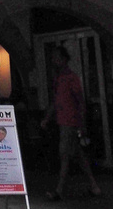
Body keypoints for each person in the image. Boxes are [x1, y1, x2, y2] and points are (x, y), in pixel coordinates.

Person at [41, 45, 101, 200]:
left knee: (65, 154)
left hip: (70, 121)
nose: (54, 60)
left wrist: (81, 121)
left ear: (63, 59)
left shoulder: (70, 78)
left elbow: (79, 101)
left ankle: (60, 190)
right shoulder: (60, 78)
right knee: (78, 155)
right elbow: (57, 101)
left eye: (56, 57)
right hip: (66, 120)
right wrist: (48, 118)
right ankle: (94, 185)